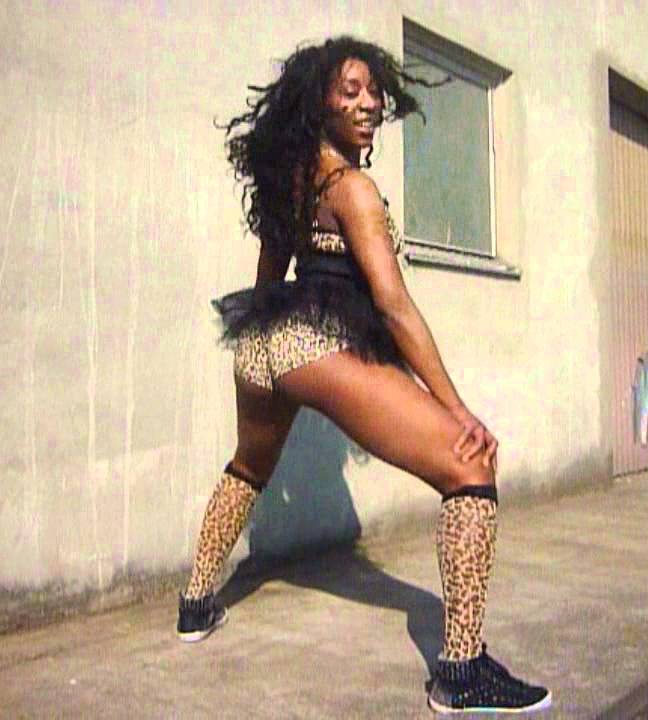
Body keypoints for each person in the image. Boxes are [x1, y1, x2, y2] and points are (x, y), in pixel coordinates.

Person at [178, 36, 552, 715]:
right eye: (349, 91)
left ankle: (196, 602)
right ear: (317, 102)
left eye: (374, 91)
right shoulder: (354, 188)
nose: (368, 103)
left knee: (249, 466)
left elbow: (268, 283)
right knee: (470, 465)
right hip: (312, 345)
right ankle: (460, 673)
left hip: (261, 345)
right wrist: (457, 410)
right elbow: (393, 306)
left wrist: (266, 344)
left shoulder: (294, 180)